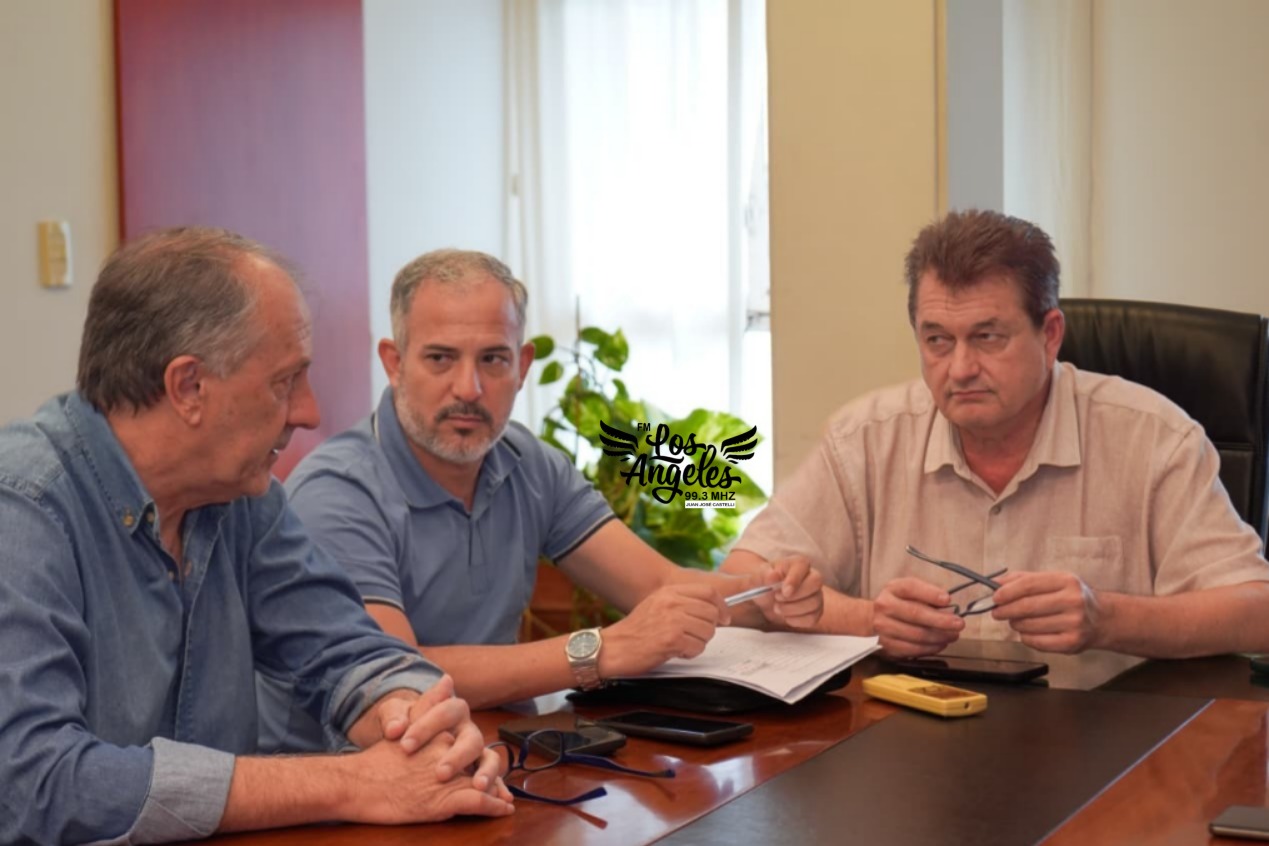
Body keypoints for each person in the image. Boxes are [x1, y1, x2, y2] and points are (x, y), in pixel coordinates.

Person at [0, 229, 512, 845]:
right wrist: (352, 783)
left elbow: (343, 650)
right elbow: (33, 783)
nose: (309, 412)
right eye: (285, 381)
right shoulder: (22, 508)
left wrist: (417, 721)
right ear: (189, 387)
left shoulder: (241, 495)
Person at [278, 248, 823, 722]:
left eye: (492, 360)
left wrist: (765, 600)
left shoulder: (526, 462)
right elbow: (394, 675)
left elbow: (660, 584)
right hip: (354, 780)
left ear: (521, 367)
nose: (468, 388)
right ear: (395, 364)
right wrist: (600, 650)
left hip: (500, 756)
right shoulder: (337, 492)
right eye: (440, 358)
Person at [723, 209, 1269, 660]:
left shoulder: (1152, 438)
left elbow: (1255, 612)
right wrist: (868, 620)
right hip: (908, 736)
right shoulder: (865, 439)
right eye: (938, 340)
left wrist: (1105, 617)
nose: (960, 369)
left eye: (987, 337)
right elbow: (741, 584)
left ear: (1050, 335)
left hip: (1100, 736)